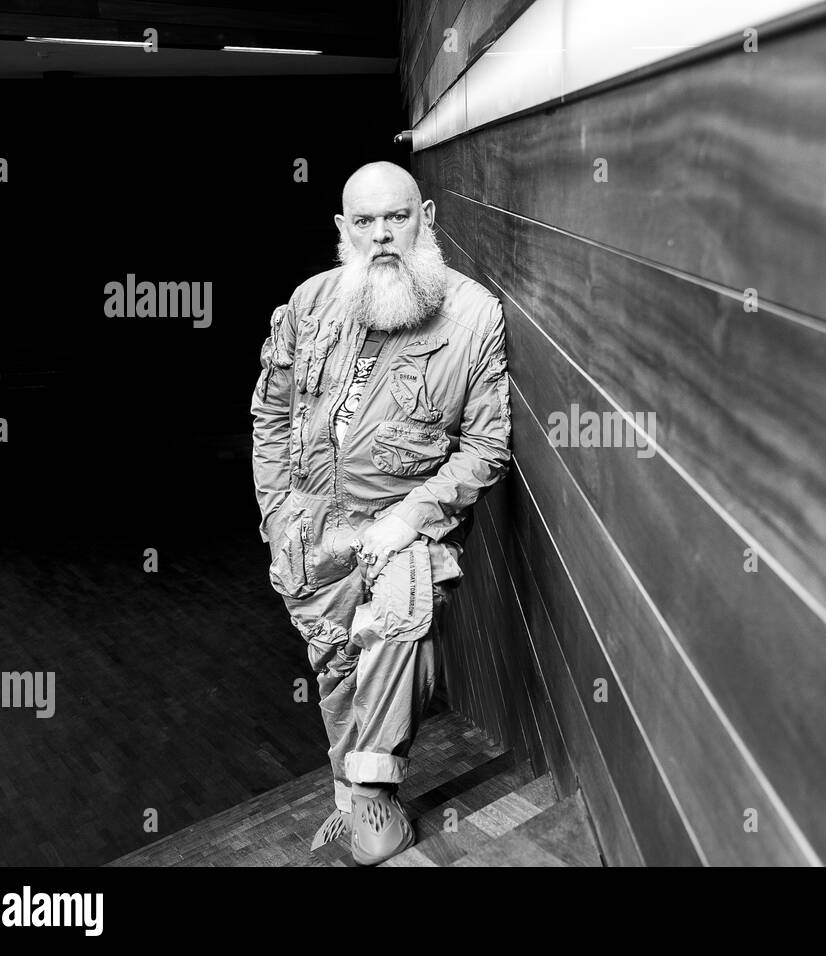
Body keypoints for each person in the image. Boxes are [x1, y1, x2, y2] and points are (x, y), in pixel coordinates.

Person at [250, 161, 511, 865]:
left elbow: (485, 447)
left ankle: (374, 794)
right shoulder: (309, 302)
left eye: (396, 216)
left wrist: (411, 517)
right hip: (310, 529)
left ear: (425, 215)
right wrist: (277, 517)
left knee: (400, 616)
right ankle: (351, 796)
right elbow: (270, 415)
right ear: (344, 230)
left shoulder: (472, 314)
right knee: (336, 666)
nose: (382, 234)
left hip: (403, 523)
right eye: (364, 222)